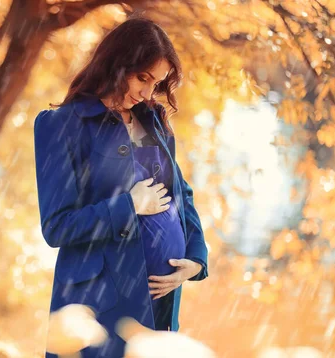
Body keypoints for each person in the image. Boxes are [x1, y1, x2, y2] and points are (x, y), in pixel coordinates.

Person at [34, 17, 209, 358]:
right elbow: (57, 227)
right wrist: (129, 205)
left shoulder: (152, 119)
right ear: (117, 63)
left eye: (156, 82)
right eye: (142, 77)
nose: (147, 91)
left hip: (161, 303)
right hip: (100, 305)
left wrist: (196, 259)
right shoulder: (61, 125)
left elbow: (181, 193)